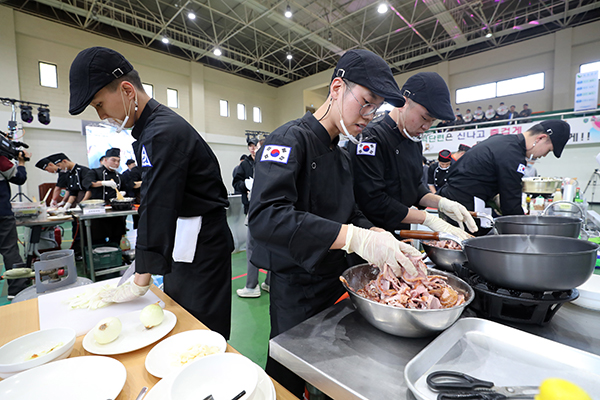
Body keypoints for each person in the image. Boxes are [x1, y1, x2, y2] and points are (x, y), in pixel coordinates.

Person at [248, 49, 425, 396]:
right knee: (288, 370)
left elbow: (351, 211)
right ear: (337, 88)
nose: (370, 116)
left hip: (334, 282)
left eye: (376, 109)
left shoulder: (342, 154)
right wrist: (352, 237)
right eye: (366, 102)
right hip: (297, 287)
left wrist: (375, 234)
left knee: (326, 370)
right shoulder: (288, 140)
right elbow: (267, 217)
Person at [68, 46, 234, 339]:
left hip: (202, 242)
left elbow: (159, 204)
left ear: (127, 90)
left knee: (200, 328)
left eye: (99, 104)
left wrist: (140, 279)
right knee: (180, 315)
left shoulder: (163, 131)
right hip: (187, 237)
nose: (102, 114)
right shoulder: (151, 130)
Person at [349, 72, 477, 240]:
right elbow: (373, 201)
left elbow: (414, 188)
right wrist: (427, 218)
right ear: (403, 102)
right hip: (371, 237)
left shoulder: (414, 139)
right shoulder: (369, 139)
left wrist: (442, 203)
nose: (426, 126)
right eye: (425, 118)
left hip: (402, 232)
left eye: (432, 121)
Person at [438, 120, 571, 233]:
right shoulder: (513, 155)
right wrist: (525, 231)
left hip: (453, 200)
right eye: (548, 150)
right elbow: (510, 203)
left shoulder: (503, 141)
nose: (544, 155)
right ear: (540, 138)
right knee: (463, 246)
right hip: (463, 206)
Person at [1, 150, 30, 297]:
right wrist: (21, 162)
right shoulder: (1, 160)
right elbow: (19, 178)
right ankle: (16, 290)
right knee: (9, 250)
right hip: (2, 214)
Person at [82, 147, 126, 245]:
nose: (116, 163)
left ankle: (115, 256)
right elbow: (88, 183)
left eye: (118, 161)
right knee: (98, 240)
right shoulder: (94, 172)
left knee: (115, 239)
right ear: (105, 160)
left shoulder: (119, 176)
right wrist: (103, 183)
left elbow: (125, 188)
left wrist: (122, 194)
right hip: (98, 211)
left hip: (115, 212)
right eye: (113, 160)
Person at [232, 138, 258, 215]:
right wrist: (246, 184)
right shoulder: (244, 164)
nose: (252, 148)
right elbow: (236, 183)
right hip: (249, 203)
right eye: (250, 146)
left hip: (263, 202)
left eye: (255, 145)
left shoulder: (264, 162)